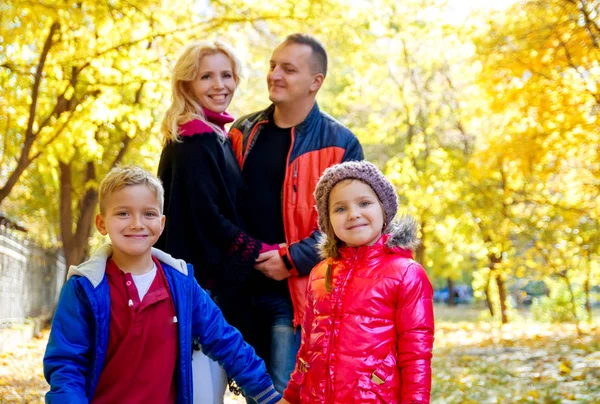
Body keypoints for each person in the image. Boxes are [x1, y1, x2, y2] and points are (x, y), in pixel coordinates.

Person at [43, 166, 284, 404]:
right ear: (101, 223)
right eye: (123, 213)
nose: (137, 223)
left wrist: (267, 394)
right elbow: (66, 367)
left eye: (148, 214)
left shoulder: (182, 286)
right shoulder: (84, 289)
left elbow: (224, 340)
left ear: (162, 223)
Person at [229, 33, 364, 395]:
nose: (274, 74)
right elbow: (221, 206)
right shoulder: (242, 132)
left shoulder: (341, 143)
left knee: (281, 393)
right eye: (273, 65)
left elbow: (351, 224)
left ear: (315, 82)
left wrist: (290, 259)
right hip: (239, 289)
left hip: (295, 297)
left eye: (288, 69)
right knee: (248, 393)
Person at [155, 40, 266, 402]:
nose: (220, 85)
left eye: (227, 75)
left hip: (204, 292)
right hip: (198, 295)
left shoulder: (213, 136)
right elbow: (208, 221)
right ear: (187, 84)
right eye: (207, 76)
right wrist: (261, 253)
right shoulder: (193, 141)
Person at [283, 161, 435, 403]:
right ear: (327, 220)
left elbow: (416, 356)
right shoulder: (320, 274)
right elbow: (307, 348)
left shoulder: (406, 273)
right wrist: (291, 396)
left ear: (383, 209)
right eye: (340, 209)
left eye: (364, 203)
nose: (353, 214)